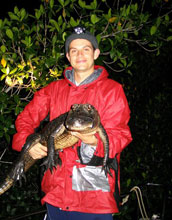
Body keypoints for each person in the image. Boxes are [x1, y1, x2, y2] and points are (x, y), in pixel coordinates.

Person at [12, 26, 132, 220]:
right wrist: (28, 144)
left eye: (86, 49)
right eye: (74, 50)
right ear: (68, 56)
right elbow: (25, 119)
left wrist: (94, 142)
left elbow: (120, 134)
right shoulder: (53, 89)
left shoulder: (112, 90)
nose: (80, 55)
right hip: (56, 191)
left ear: (96, 53)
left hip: (94, 196)